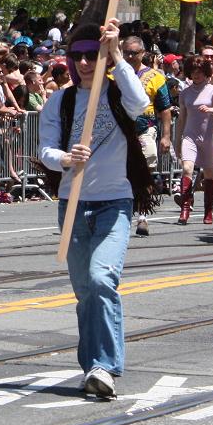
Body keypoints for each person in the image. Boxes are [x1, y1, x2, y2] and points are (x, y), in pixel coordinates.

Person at [37, 20, 156, 399]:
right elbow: (45, 151)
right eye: (78, 56)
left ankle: (104, 365)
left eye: (93, 54)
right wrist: (66, 158)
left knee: (103, 279)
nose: (86, 62)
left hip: (115, 202)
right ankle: (92, 365)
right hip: (73, 204)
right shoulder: (62, 100)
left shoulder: (118, 92)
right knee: (86, 291)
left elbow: (140, 103)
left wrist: (118, 54)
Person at [121, 34, 171, 237]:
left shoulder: (156, 77)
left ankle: (143, 215)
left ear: (143, 53)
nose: (131, 56)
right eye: (127, 53)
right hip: (120, 132)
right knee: (121, 174)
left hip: (146, 129)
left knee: (146, 172)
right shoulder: (113, 75)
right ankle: (121, 214)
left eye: (135, 53)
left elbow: (165, 108)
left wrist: (166, 136)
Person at [175, 55, 213, 225]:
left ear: (206, 73)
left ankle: (208, 210)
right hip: (189, 135)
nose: (196, 75)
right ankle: (185, 209)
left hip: (209, 136)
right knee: (187, 169)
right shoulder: (185, 93)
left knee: (209, 172)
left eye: (200, 72)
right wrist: (177, 140)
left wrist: (209, 109)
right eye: (193, 72)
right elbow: (181, 118)